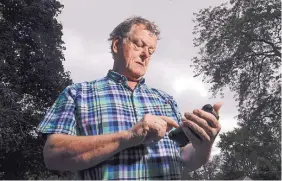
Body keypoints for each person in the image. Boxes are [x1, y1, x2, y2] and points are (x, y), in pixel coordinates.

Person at [37, 16, 222, 180]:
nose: (145, 55)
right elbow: (53, 155)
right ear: (117, 45)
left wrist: (204, 146)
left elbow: (186, 159)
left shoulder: (166, 100)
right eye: (139, 45)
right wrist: (129, 137)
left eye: (151, 51)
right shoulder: (78, 93)